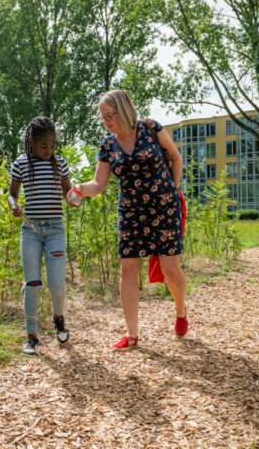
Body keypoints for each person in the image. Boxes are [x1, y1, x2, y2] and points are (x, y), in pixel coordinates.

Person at [70, 89, 188, 350]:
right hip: (132, 213)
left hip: (164, 208)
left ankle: (180, 310)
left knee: (171, 271)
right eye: (103, 117)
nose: (106, 121)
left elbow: (175, 157)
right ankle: (132, 335)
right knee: (128, 270)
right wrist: (79, 187)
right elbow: (99, 184)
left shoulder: (150, 128)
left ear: (123, 111)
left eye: (110, 115)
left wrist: (174, 190)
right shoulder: (108, 145)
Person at [7, 116, 74, 356]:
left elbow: (69, 193)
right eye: (44, 146)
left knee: (57, 283)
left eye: (52, 146)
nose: (49, 150)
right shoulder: (21, 164)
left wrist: (74, 199)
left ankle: (58, 317)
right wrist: (14, 206)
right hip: (31, 230)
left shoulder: (60, 164)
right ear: (31, 142)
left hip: (55, 229)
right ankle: (32, 336)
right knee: (32, 283)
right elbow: (11, 195)